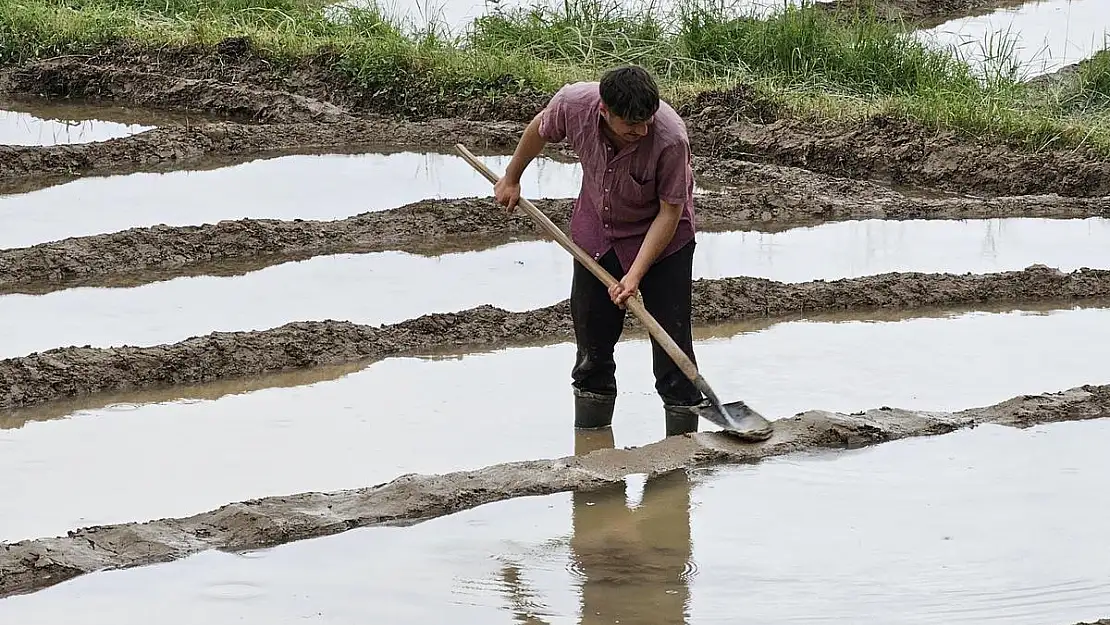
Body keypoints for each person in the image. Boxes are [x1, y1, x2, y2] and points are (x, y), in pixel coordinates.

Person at [493, 64, 705, 437]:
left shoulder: (670, 138)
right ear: (604, 111)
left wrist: (635, 275)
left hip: (662, 241)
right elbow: (539, 129)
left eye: (646, 122)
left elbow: (670, 213)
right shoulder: (573, 104)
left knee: (673, 350)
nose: (640, 131)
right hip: (598, 234)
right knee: (592, 348)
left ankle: (681, 449)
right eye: (630, 125)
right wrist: (512, 177)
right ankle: (592, 449)